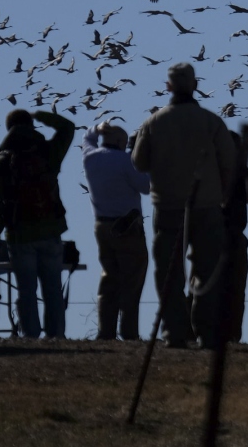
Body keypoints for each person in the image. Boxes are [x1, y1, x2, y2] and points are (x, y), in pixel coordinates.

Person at [132, 63, 235, 349]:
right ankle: (206, 332)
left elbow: (139, 163)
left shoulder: (153, 123)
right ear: (195, 85)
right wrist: (222, 195)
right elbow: (229, 163)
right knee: (207, 269)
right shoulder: (212, 122)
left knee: (168, 272)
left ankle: (174, 332)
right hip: (208, 206)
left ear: (167, 87)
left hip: (167, 207)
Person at [0, 109, 74, 339]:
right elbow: (68, 128)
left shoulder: (1, 163)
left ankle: (31, 338)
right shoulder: (47, 153)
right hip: (51, 231)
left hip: (19, 236)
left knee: (26, 291)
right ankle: (56, 337)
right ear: (30, 127)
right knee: (53, 289)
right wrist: (43, 115)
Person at [82, 120, 150, 340]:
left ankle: (105, 331)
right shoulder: (126, 161)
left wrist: (97, 128)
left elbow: (86, 139)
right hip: (127, 227)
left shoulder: (90, 157)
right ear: (122, 142)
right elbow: (146, 187)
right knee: (132, 279)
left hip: (101, 226)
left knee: (109, 278)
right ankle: (129, 332)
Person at [222, 130, 248, 343]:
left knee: (203, 288)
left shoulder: (207, 168)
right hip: (230, 236)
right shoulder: (236, 171)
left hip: (207, 236)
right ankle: (230, 335)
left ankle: (198, 334)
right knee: (235, 290)